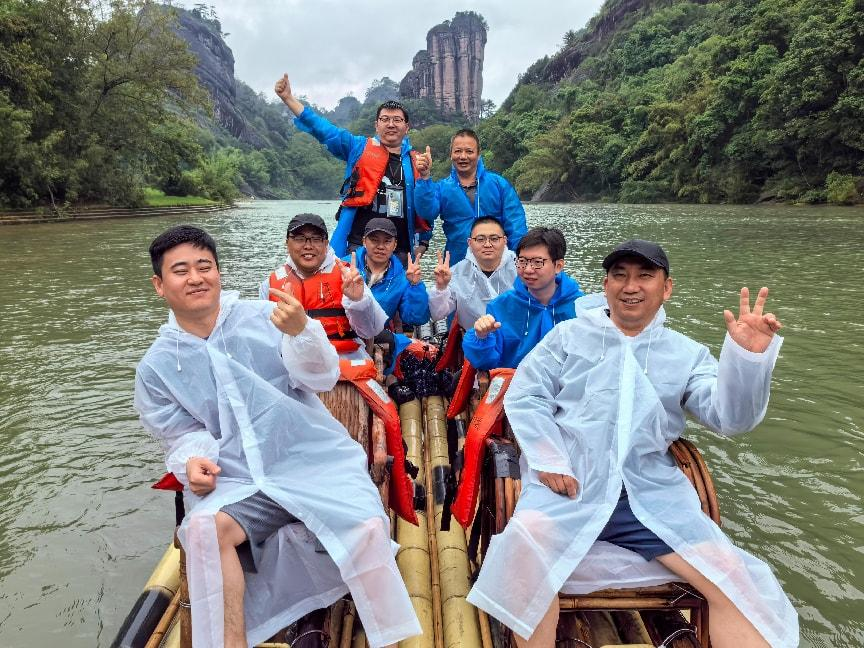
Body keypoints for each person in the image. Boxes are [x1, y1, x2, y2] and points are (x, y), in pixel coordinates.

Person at [466, 240, 798, 648]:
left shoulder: (685, 354)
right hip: (570, 487)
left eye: (645, 276)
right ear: (605, 284)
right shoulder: (568, 337)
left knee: (732, 577)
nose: (631, 286)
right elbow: (527, 394)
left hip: (650, 496)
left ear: (667, 287)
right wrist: (551, 459)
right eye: (620, 275)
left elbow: (729, 418)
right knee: (524, 552)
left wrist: (747, 361)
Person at [135, 225, 420, 648]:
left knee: (366, 527)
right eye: (181, 271)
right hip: (238, 477)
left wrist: (303, 331)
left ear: (218, 273)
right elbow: (179, 433)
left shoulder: (265, 318)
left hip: (308, 460)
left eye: (204, 266)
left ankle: (385, 635)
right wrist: (192, 459)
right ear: (160, 285)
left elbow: (320, 377)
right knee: (203, 531)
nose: (195, 278)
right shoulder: (156, 367)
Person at [275, 73, 428, 264]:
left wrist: (424, 242)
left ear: (406, 127)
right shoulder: (357, 147)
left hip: (400, 252)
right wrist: (289, 99)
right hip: (356, 249)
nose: (391, 124)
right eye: (385, 119)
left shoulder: (417, 161)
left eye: (397, 120)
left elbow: (427, 206)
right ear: (376, 125)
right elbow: (324, 130)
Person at [259, 213, 387, 359]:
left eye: (316, 239)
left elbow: (369, 331)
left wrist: (358, 301)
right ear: (287, 244)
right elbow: (265, 338)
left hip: (342, 361)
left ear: (326, 244)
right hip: (292, 363)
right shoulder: (270, 285)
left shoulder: (348, 277)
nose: (308, 246)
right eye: (299, 239)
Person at [461, 227, 583, 370]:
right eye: (522, 261)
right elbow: (485, 364)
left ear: (558, 266)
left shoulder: (580, 307)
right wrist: (481, 336)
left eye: (538, 262)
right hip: (515, 381)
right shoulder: (501, 307)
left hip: (568, 382)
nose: (528, 269)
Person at [413, 129, 527, 264]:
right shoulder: (442, 188)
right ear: (451, 154)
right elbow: (426, 213)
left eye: (469, 151)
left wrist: (519, 260)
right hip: (458, 263)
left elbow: (516, 224)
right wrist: (424, 177)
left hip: (498, 263)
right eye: (457, 151)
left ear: (478, 154)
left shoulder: (499, 184)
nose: (463, 156)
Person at [429, 216, 517, 331]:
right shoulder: (456, 273)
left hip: (516, 338)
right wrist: (441, 287)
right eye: (480, 239)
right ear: (470, 243)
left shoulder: (520, 267)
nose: (487, 244)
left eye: (494, 239)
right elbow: (438, 314)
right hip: (474, 338)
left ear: (505, 241)